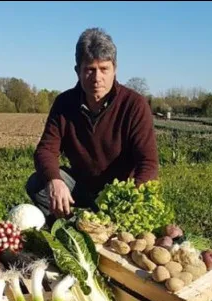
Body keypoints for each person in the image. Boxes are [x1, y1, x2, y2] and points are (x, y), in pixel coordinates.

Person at [26, 27, 159, 225]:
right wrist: (55, 180)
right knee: (38, 183)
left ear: (115, 69)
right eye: (89, 69)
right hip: (81, 187)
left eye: (104, 69)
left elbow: (148, 163)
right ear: (77, 70)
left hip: (119, 193)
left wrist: (131, 201)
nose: (97, 78)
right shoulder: (64, 103)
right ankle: (69, 226)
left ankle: (102, 224)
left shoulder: (134, 104)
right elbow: (45, 150)